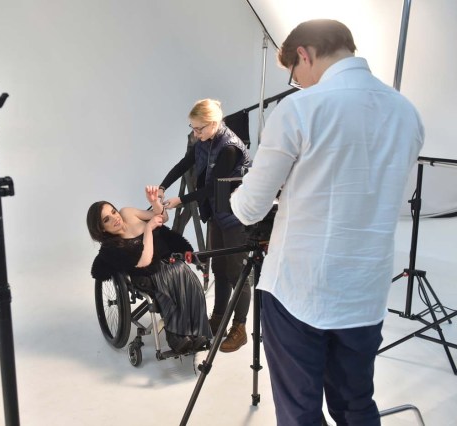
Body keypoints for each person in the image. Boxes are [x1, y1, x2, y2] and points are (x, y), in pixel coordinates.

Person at [230, 19, 424, 425]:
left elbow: (249, 209)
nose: (298, 82)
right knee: (356, 406)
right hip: (365, 294)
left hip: (301, 291)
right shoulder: (408, 114)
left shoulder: (299, 108)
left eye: (295, 73)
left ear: (305, 54)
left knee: (301, 412)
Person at [159, 98, 252, 353]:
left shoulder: (229, 147)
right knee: (219, 269)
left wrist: (181, 200)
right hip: (216, 211)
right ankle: (218, 317)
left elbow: (213, 187)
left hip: (234, 214)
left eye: (199, 128)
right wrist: (163, 186)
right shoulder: (202, 140)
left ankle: (240, 327)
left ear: (213, 124)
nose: (195, 133)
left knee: (237, 273)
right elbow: (184, 163)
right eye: (192, 128)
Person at [87, 186, 212, 354]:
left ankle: (197, 330)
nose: (115, 218)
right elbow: (145, 262)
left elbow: (162, 218)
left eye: (114, 212)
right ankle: (177, 336)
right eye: (106, 219)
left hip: (167, 261)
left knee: (189, 279)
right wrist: (147, 229)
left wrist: (155, 203)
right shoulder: (111, 247)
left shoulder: (128, 213)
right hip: (146, 273)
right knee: (171, 276)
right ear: (101, 228)